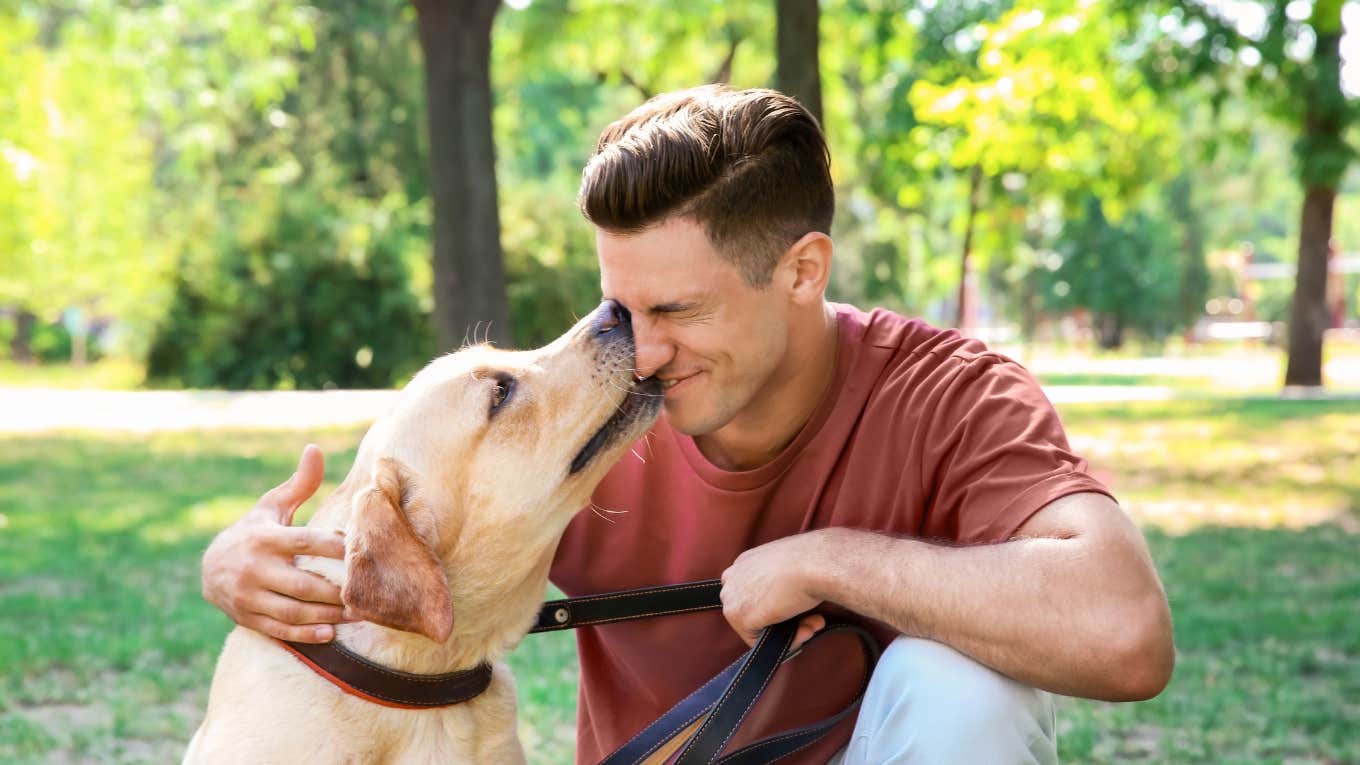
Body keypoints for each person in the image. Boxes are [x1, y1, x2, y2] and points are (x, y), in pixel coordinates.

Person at [201, 85, 1174, 763]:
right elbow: (423, 529)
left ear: (802, 271)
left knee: (962, 687)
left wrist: (832, 561)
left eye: (677, 313)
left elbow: (1125, 634)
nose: (636, 350)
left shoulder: (948, 394)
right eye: (619, 307)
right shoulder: (591, 418)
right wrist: (246, 565)